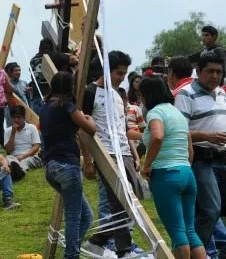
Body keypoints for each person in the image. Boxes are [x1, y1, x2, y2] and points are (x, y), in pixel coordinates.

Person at [81, 51, 142, 259]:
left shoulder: (118, 94)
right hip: (105, 152)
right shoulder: (90, 92)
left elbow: (123, 127)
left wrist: (134, 154)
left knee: (132, 198)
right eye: (118, 73)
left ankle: (97, 240)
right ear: (106, 70)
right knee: (118, 201)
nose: (121, 78)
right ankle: (123, 250)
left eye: (124, 74)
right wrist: (88, 161)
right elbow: (82, 129)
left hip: (124, 151)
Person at [139, 77, 206, 259]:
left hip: (166, 175)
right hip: (186, 173)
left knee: (178, 234)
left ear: (145, 95)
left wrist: (146, 165)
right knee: (190, 231)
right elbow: (189, 149)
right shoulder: (177, 114)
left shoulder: (155, 113)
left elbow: (158, 137)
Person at [40, 71, 97, 259]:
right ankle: (71, 255)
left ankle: (71, 251)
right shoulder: (67, 107)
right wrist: (89, 119)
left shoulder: (45, 107)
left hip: (51, 168)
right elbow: (90, 129)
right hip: (68, 166)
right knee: (74, 216)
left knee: (86, 216)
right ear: (70, 88)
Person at [174, 51, 226, 247]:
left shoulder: (222, 93)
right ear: (198, 71)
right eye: (210, 71)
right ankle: (194, 251)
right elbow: (179, 131)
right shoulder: (186, 94)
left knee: (214, 211)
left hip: (222, 160)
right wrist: (207, 136)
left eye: (219, 72)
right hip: (201, 160)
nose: (215, 76)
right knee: (210, 211)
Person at [3, 106, 42, 181]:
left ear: (24, 118)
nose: (16, 120)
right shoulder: (8, 131)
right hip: (14, 157)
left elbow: (36, 146)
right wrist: (13, 133)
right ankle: (14, 170)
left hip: (31, 156)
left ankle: (18, 171)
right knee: (7, 159)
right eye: (14, 117)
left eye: (18, 117)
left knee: (25, 161)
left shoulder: (31, 127)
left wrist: (24, 155)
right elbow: (8, 150)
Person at [5, 62, 30, 127]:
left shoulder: (24, 83)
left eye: (19, 70)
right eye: (15, 70)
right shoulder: (7, 84)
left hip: (24, 111)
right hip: (11, 112)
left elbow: (29, 100)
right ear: (10, 73)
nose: (18, 72)